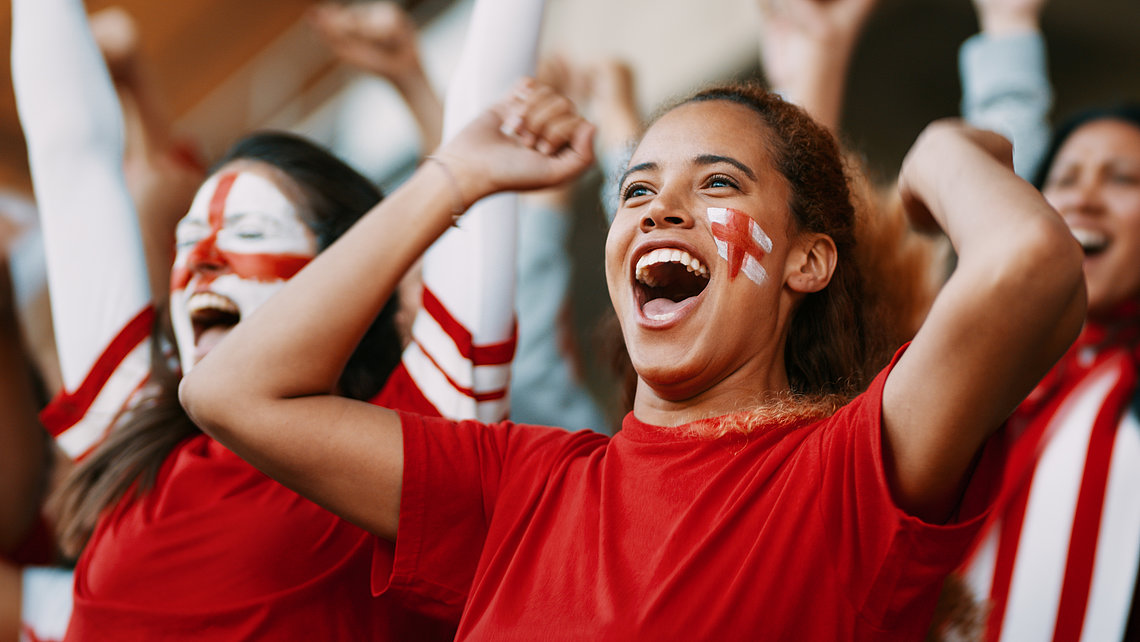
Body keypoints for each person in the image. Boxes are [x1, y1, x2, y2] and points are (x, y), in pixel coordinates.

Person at [182, 63, 1086, 638]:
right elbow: (232, 393)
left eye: (718, 182)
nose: (658, 208)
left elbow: (1028, 265)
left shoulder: (847, 473)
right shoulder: (517, 488)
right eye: (637, 189)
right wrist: (454, 179)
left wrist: (940, 153)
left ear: (808, 262)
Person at [11, 0, 547, 638]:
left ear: (351, 280)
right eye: (187, 242)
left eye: (249, 231)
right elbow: (70, 156)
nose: (201, 263)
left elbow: (485, 121)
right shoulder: (129, 453)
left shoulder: (418, 442)